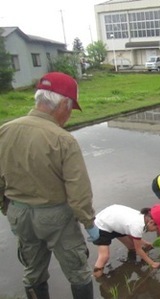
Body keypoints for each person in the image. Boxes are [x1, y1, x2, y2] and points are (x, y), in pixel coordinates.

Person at [0, 72, 98, 299]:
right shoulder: (63, 139)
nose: (69, 115)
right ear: (63, 103)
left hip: (19, 212)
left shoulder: (5, 130)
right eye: (71, 108)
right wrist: (89, 222)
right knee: (78, 271)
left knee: (33, 271)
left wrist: (7, 208)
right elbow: (78, 191)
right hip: (55, 217)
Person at [91, 204, 160, 278]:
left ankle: (131, 263)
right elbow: (138, 250)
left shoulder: (143, 218)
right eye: (157, 228)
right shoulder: (137, 225)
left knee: (131, 246)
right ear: (151, 222)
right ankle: (98, 277)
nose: (156, 230)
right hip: (102, 224)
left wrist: (145, 243)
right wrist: (152, 263)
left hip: (114, 221)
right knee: (104, 256)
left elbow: (131, 233)